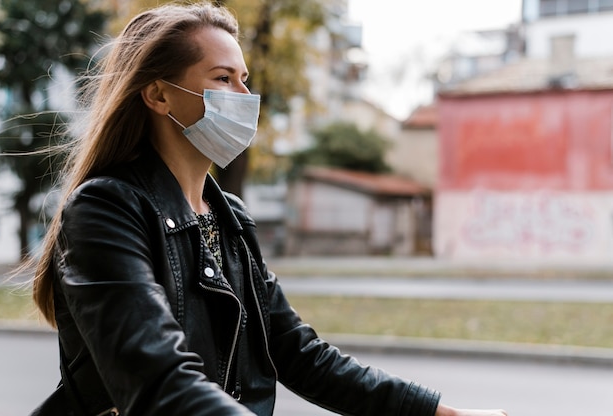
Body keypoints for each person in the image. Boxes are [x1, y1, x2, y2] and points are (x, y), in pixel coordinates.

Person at [30, 2, 508, 415]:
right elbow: (157, 379)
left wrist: (438, 411)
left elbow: (297, 353)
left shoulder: (229, 218)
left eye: (245, 80)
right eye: (222, 78)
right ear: (157, 94)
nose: (245, 97)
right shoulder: (105, 209)